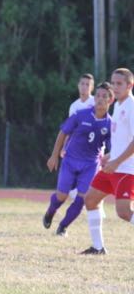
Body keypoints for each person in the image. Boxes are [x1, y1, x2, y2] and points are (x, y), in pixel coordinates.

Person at [43, 82, 113, 236]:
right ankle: (50, 211)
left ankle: (63, 227)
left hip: (90, 165)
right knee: (61, 196)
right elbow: (63, 133)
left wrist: (110, 158)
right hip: (70, 161)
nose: (100, 99)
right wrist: (54, 155)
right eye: (98, 95)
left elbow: (113, 147)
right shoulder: (81, 115)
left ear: (110, 100)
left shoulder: (110, 124)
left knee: (82, 199)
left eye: (104, 96)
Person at [81, 68, 134, 255]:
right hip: (114, 166)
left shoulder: (131, 106)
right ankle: (98, 247)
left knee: (124, 212)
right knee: (90, 199)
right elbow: (123, 139)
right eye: (114, 83)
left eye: (120, 84)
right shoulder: (118, 105)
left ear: (130, 85)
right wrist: (110, 156)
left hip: (126, 169)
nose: (115, 87)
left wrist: (117, 161)